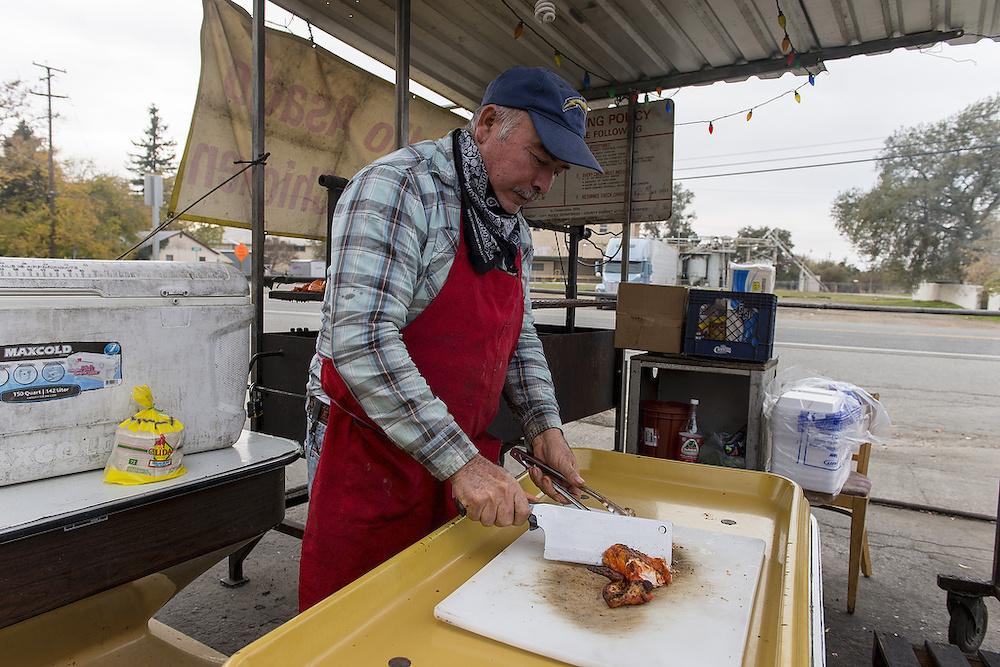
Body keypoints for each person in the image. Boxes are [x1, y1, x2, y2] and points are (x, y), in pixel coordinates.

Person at [299, 66, 604, 611]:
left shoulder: (513, 227)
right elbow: (362, 338)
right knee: (359, 617)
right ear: (488, 123)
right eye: (539, 160)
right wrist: (463, 462)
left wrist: (544, 426)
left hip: (453, 453)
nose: (542, 185)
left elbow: (518, 335)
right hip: (371, 457)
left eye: (555, 171)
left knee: (442, 614)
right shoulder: (398, 188)